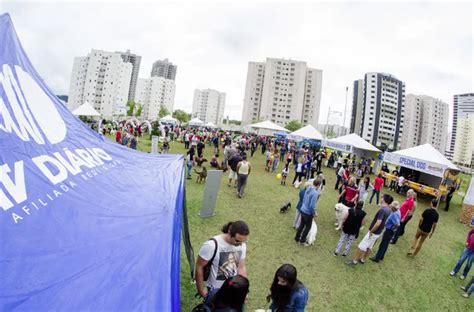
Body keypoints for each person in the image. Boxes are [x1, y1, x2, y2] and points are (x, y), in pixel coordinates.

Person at [195, 221, 249, 299]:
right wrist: (201, 291)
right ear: (229, 233)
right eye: (237, 241)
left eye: (243, 241)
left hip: (234, 289)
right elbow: (199, 267)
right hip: (215, 291)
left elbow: (241, 267)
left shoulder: (242, 245)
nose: (240, 244)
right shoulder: (211, 245)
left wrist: (244, 290)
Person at [347, 194, 394, 267]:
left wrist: (371, 231)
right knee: (370, 246)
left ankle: (354, 261)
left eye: (382, 197)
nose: (381, 198)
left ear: (384, 199)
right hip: (379, 232)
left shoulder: (382, 210)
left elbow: (378, 223)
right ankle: (363, 259)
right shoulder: (389, 209)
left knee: (361, 246)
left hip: (374, 232)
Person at [295, 179, 321, 245]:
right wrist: (314, 212)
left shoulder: (308, 188)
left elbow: (304, 199)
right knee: (307, 227)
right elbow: (312, 205)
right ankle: (302, 241)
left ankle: (297, 237)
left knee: (301, 225)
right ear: (318, 185)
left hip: (303, 209)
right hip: (308, 212)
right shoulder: (315, 193)